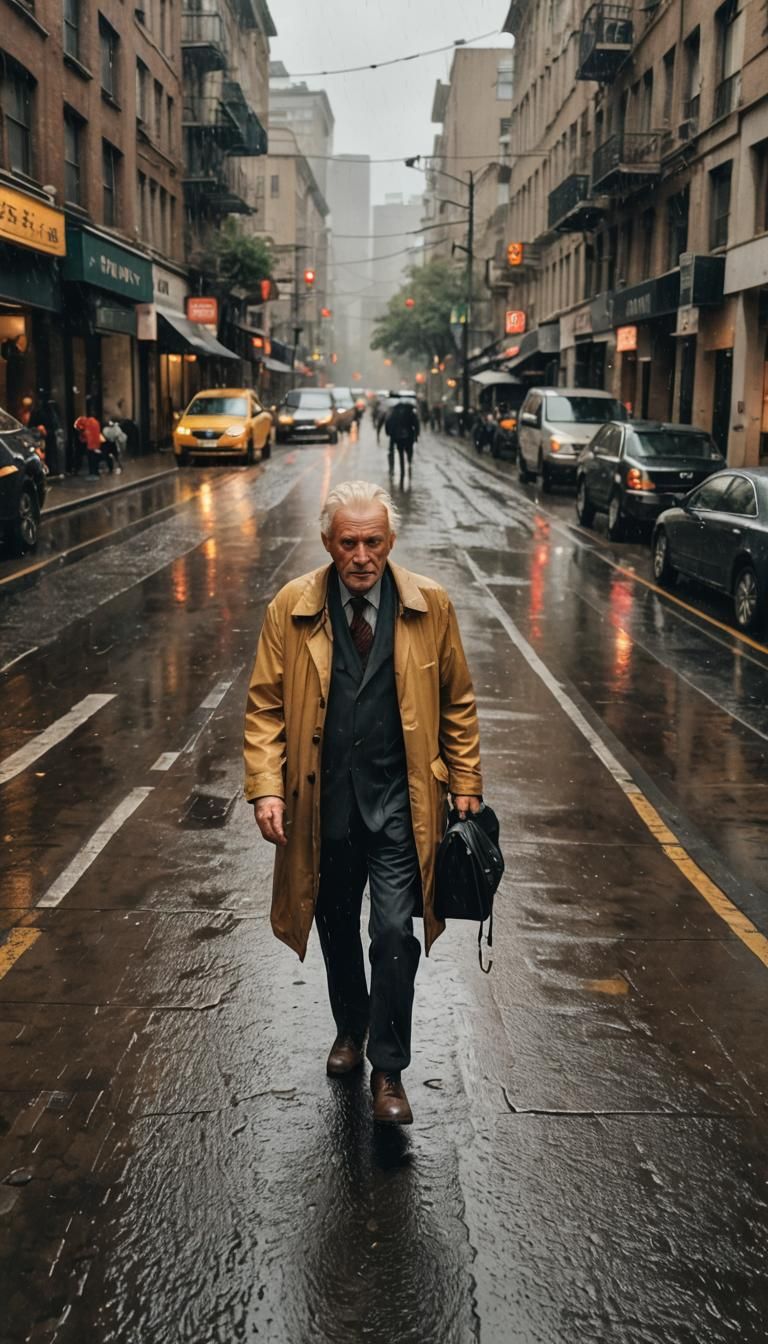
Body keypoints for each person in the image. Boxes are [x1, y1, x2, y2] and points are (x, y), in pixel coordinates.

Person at [244, 480, 483, 1126]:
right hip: (323, 809)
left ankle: (388, 1069)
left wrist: (466, 780)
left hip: (402, 805)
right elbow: (265, 706)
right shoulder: (291, 608)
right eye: (348, 542)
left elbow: (458, 700)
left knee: (394, 934)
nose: (361, 555)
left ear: (390, 541)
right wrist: (266, 787)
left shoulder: (430, 606)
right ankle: (350, 1027)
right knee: (335, 925)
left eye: (373, 541)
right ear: (328, 543)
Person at [384, 398, 420, 483]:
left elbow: (388, 422)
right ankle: (409, 462)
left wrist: (389, 433)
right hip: (409, 435)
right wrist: (416, 435)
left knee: (399, 452)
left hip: (397, 436)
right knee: (409, 451)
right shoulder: (410, 411)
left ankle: (399, 469)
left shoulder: (394, 411)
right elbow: (416, 424)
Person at [74, 412, 111, 479]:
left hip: (92, 445)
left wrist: (82, 438)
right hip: (97, 443)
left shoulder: (86, 424)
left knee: (92, 458)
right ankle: (96, 472)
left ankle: (93, 473)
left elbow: (85, 435)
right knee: (96, 457)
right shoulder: (94, 422)